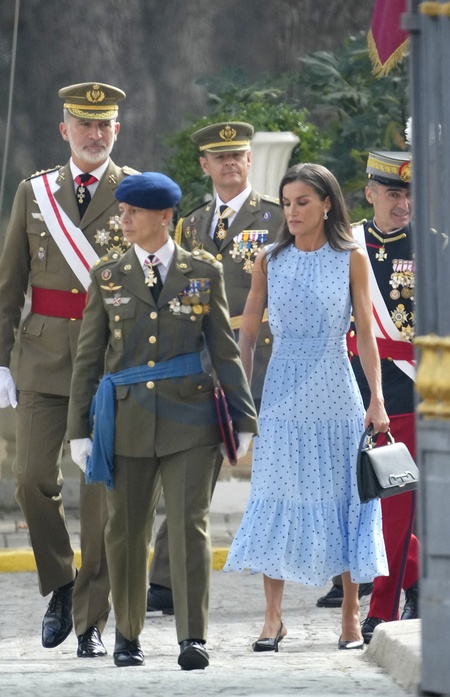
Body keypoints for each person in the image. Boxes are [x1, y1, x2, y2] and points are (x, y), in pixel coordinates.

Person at [66, 172, 258, 669]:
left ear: (165, 216)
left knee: (190, 525)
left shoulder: (203, 271)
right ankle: (128, 636)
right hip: (126, 421)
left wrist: (243, 417)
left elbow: (223, 349)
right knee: (125, 531)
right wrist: (79, 431)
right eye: (122, 211)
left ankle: (192, 637)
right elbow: (88, 360)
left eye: (134, 211)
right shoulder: (108, 276)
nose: (124, 219)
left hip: (191, 420)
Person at [224, 163, 389, 651]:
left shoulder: (351, 258)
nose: (292, 212)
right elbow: (247, 333)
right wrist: (240, 395)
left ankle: (351, 614)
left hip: (338, 391)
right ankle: (272, 619)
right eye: (287, 203)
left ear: (327, 205)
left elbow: (365, 335)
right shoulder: (269, 259)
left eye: (302, 202)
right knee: (274, 494)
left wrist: (376, 398)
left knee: (347, 499)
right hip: (282, 393)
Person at [0, 81, 137, 657]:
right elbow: (10, 282)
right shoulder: (34, 193)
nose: (94, 133)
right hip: (43, 356)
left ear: (117, 130)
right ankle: (60, 581)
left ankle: (90, 621)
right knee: (31, 478)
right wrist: (0, 358)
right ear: (65, 130)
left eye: (104, 124)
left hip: (108, 359)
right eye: (84, 123)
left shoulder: (135, 191)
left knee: (101, 493)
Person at [147, 120, 283, 614]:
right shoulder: (191, 224)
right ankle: (166, 581)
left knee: (297, 464)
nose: (229, 163)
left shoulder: (277, 216)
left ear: (249, 161)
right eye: (219, 157)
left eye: (237, 155)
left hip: (269, 356)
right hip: (206, 361)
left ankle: (343, 574)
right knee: (192, 469)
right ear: (205, 165)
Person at [351, 151, 418, 643]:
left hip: (407, 386)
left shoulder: (433, 246)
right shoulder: (345, 243)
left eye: (410, 195)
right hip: (350, 384)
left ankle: (381, 610)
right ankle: (417, 574)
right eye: (394, 193)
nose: (403, 205)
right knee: (353, 502)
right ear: (370, 193)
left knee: (393, 505)